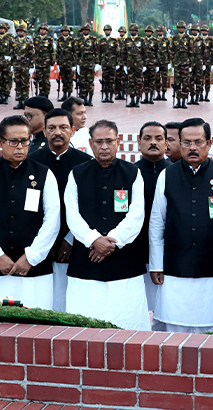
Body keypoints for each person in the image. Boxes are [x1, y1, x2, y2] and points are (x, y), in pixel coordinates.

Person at [149, 118, 213, 332]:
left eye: (198, 142)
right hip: (174, 270)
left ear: (209, 144)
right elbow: (157, 224)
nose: (192, 147)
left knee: (212, 335)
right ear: (178, 144)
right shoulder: (167, 175)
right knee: (174, 333)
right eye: (187, 142)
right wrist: (156, 263)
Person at [0, 116, 60, 309]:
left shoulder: (44, 174)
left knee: (33, 328)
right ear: (0, 142)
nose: (20, 146)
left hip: (34, 270)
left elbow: (52, 220)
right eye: (13, 141)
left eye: (25, 141)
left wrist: (31, 257)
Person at [64, 120, 149, 329]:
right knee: (84, 325)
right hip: (86, 261)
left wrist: (111, 242)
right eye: (99, 142)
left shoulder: (132, 173)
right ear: (90, 143)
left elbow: (136, 215)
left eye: (109, 141)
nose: (104, 146)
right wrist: (93, 240)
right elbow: (72, 214)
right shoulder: (77, 173)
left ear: (118, 141)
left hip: (124, 260)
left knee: (127, 323)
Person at [29, 109, 92, 312]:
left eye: (63, 127)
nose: (58, 132)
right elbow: (30, 206)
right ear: (44, 131)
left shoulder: (85, 164)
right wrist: (44, 240)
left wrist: (70, 239)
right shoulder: (32, 162)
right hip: (38, 242)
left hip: (74, 242)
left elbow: (88, 209)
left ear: (73, 131)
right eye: (52, 128)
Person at [135, 122, 169, 316]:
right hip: (138, 253)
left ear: (166, 143)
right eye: (147, 138)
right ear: (139, 142)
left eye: (158, 138)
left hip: (170, 255)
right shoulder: (130, 173)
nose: (153, 142)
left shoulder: (175, 173)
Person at [75, 24, 99, 106]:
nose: (85, 31)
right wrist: (77, 64)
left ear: (89, 31)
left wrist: (97, 63)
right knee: (83, 82)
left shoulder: (93, 40)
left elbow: (97, 52)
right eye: (84, 30)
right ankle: (84, 99)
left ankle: (90, 99)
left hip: (90, 63)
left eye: (86, 30)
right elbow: (77, 53)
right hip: (82, 64)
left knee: (90, 82)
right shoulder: (79, 40)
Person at [170, 21, 192, 109]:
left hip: (186, 63)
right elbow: (171, 51)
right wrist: (172, 63)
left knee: (185, 83)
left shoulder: (188, 38)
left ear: (184, 29)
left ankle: (184, 101)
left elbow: (191, 51)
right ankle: (178, 101)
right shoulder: (174, 38)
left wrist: (191, 64)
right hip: (177, 63)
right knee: (177, 83)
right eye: (179, 28)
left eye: (182, 28)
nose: (180, 29)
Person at [12, 24, 34, 110]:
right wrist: (11, 64)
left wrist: (31, 66)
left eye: (21, 31)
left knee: (25, 83)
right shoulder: (13, 41)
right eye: (18, 31)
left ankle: (25, 101)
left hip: (25, 64)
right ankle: (19, 101)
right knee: (18, 82)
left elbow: (32, 54)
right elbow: (11, 53)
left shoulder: (28, 41)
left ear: (25, 32)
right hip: (16, 64)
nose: (20, 32)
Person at [0, 23, 16, 105]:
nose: (0, 30)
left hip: (7, 61)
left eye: (2, 29)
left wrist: (12, 59)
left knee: (7, 79)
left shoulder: (10, 37)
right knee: (0, 79)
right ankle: (1, 96)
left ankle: (6, 96)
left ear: (5, 29)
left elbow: (14, 49)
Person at [33, 24, 54, 98]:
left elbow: (52, 51)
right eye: (41, 29)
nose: (42, 31)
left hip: (46, 62)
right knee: (39, 78)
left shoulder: (49, 39)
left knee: (46, 79)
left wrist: (52, 63)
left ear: (46, 31)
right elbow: (33, 50)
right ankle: (41, 93)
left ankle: (46, 93)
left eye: (44, 30)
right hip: (38, 61)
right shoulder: (36, 39)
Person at [56, 26, 75, 101]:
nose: (65, 32)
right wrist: (57, 62)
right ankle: (64, 94)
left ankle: (69, 95)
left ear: (68, 32)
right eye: (63, 31)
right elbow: (57, 52)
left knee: (70, 79)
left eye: (66, 31)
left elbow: (75, 52)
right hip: (62, 62)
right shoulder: (59, 40)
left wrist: (74, 64)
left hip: (69, 62)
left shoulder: (72, 40)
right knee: (63, 79)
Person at [142, 25, 159, 105]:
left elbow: (158, 53)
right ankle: (146, 97)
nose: (148, 33)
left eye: (149, 32)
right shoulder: (143, 41)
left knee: (152, 81)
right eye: (147, 32)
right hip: (145, 64)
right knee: (145, 80)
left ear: (152, 32)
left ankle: (151, 97)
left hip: (152, 63)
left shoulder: (155, 41)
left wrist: (157, 64)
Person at [155, 25, 170, 102]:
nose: (160, 32)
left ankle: (163, 94)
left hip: (164, 62)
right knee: (157, 78)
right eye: (158, 31)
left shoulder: (166, 41)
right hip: (156, 63)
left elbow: (169, 51)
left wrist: (170, 62)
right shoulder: (154, 40)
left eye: (161, 31)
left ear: (163, 32)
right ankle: (158, 94)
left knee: (164, 78)